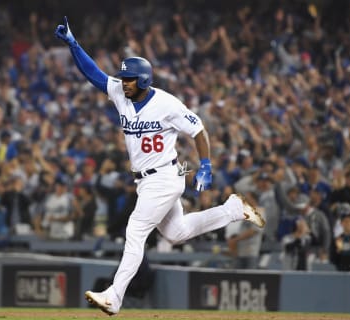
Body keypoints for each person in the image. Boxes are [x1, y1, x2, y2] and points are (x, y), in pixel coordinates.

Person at [54, 17, 265, 316]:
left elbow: (198, 130)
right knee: (176, 232)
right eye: (123, 78)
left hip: (165, 176)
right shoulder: (120, 93)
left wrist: (205, 164)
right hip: (146, 180)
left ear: (142, 81)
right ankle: (232, 210)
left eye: (129, 78)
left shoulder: (167, 104)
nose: (123, 82)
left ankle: (115, 295)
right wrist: (74, 45)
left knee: (136, 229)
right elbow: (95, 75)